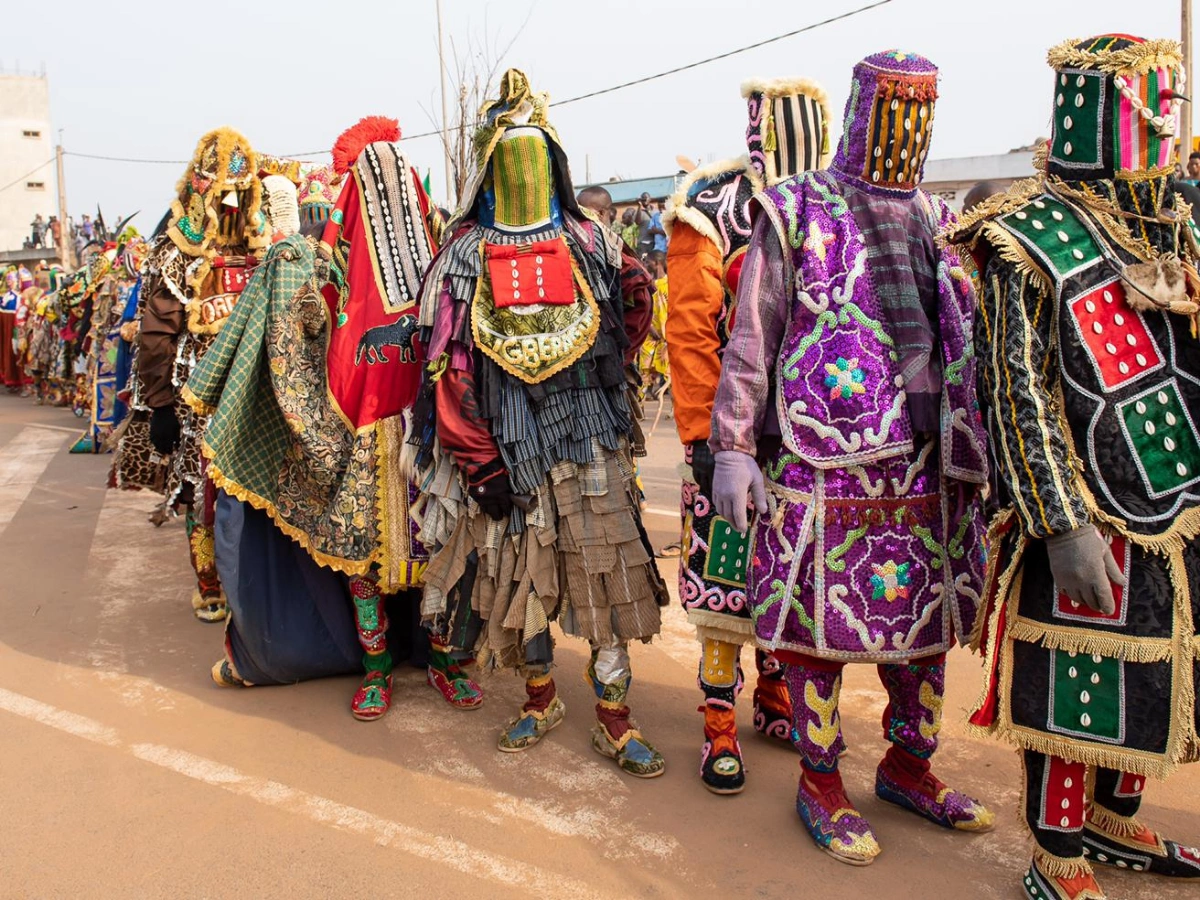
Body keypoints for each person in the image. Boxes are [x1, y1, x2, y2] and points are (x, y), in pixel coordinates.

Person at [710, 50, 994, 864]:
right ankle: (820, 781)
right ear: (863, 106)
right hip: (821, 463)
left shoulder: (940, 218)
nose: (908, 124)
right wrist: (733, 446)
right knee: (814, 633)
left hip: (927, 467)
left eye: (923, 108)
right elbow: (752, 335)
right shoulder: (796, 207)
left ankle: (909, 766)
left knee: (924, 634)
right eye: (895, 105)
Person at [944, 34, 1200, 900]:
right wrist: (1060, 523)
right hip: (1089, 510)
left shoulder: (1179, 219)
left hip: (1181, 497)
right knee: (1082, 675)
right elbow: (1015, 393)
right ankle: (1057, 850)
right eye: (1155, 106)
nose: (1169, 122)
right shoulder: (1026, 236)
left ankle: (1113, 812)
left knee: (1164, 665)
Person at [412, 69, 668, 777]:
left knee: (608, 571)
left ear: (553, 160)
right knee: (513, 579)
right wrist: (478, 460)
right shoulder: (462, 256)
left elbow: (635, 307)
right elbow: (450, 369)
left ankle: (614, 717)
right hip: (507, 444)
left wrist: (608, 370)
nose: (523, 169)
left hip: (589, 438)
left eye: (534, 152)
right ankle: (539, 698)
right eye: (510, 155)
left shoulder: (593, 243)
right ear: (491, 168)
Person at [665, 76, 832, 795]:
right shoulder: (711, 208)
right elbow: (691, 330)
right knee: (726, 581)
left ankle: (773, 697)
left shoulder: (836, 201)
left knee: (793, 581)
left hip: (812, 440)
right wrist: (707, 437)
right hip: (732, 437)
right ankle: (717, 725)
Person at [116, 127, 270, 623]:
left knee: (258, 491)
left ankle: (258, 583)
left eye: (241, 195)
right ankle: (210, 586)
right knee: (199, 490)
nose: (232, 206)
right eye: (224, 193)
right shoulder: (176, 248)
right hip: (194, 395)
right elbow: (156, 332)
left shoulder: (264, 247)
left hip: (257, 392)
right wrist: (159, 404)